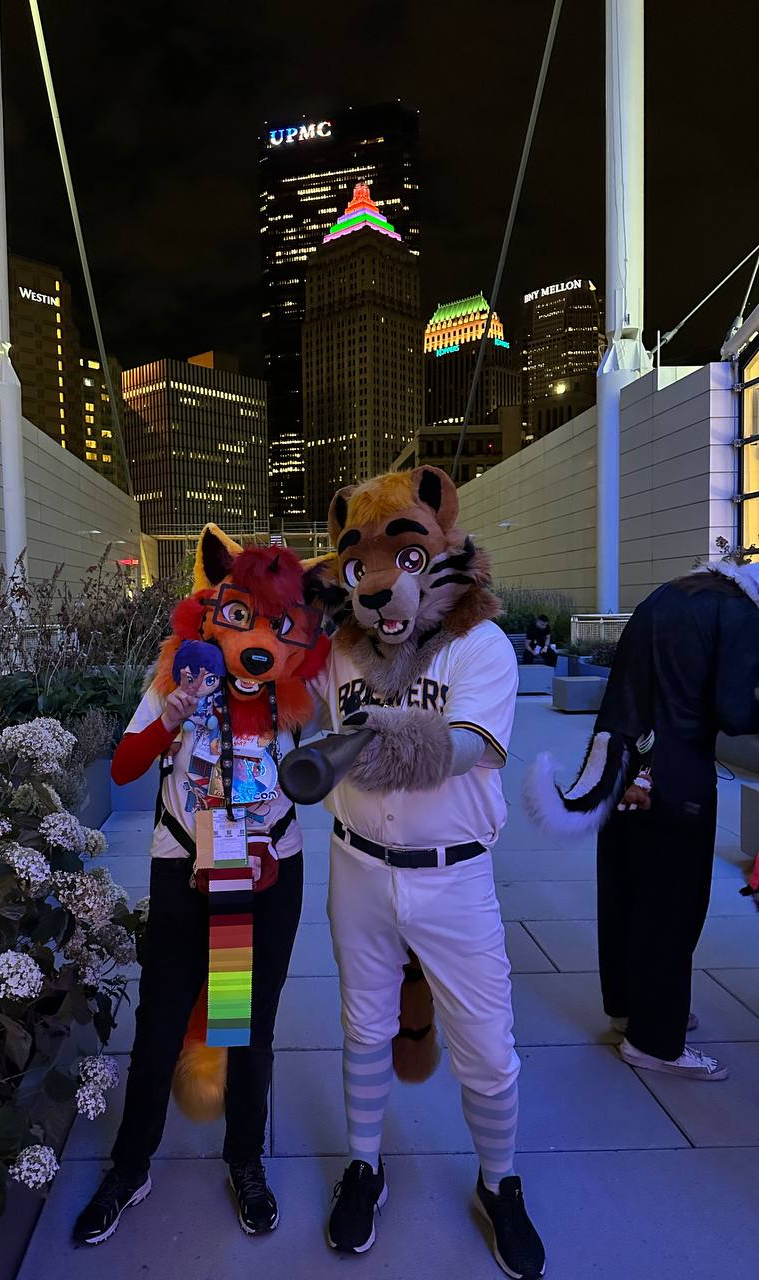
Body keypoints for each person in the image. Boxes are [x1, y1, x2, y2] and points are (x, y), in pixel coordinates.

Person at [306, 466, 546, 1279]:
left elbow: (470, 747)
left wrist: (387, 731)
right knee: (364, 1026)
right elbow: (276, 685)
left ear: (440, 550)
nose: (381, 585)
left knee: (486, 1042)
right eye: (364, 565)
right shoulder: (339, 653)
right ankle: (365, 1165)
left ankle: (500, 1181)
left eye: (406, 559)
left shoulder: (481, 644)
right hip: (357, 868)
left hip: (455, 876)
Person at [72, 526, 328, 1247]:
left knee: (245, 1022)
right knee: (159, 1023)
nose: (257, 642)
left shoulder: (302, 690)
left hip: (269, 873)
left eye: (275, 624)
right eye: (240, 616)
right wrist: (171, 720)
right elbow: (122, 768)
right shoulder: (178, 678)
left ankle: (244, 1161)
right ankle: (131, 1167)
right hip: (184, 867)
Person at [526, 556, 759, 1079]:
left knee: (626, 893)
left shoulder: (672, 593)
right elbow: (735, 710)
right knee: (673, 907)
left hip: (623, 765)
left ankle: (631, 1009)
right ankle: (656, 1041)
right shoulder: (742, 614)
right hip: (678, 778)